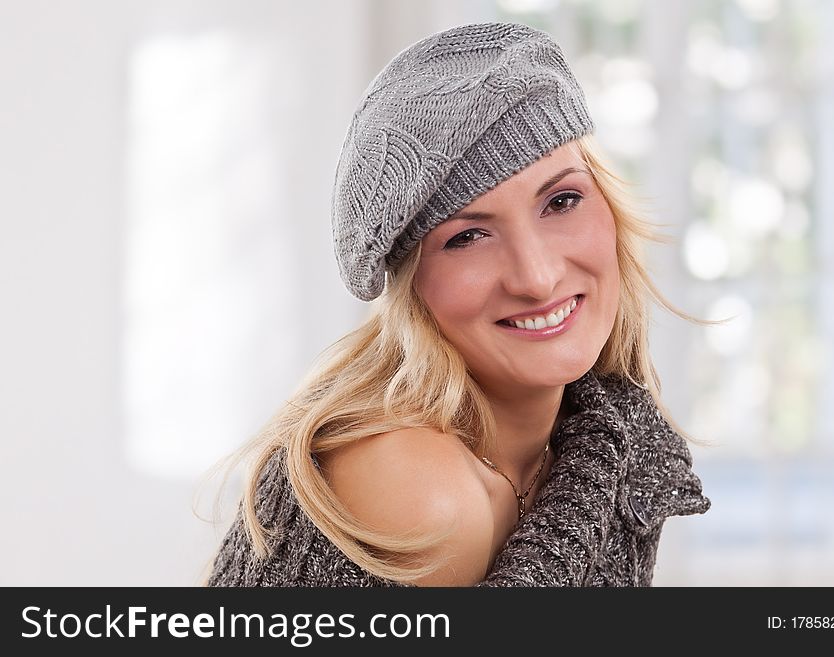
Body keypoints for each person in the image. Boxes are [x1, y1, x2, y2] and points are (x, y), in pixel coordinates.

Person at [205, 21, 711, 587]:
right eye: (466, 237)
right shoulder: (421, 493)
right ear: (412, 288)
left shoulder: (601, 427)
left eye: (562, 200)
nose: (538, 278)